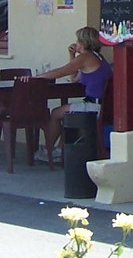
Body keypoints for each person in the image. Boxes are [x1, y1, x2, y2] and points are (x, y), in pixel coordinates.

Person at [38, 26, 112, 160]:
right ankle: (60, 149)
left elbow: (61, 72)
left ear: (83, 42)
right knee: (67, 114)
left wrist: (37, 78)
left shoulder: (85, 57)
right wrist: (72, 55)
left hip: (93, 107)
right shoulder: (97, 57)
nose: (75, 43)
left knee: (55, 113)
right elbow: (74, 78)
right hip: (102, 106)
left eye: (78, 40)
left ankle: (48, 150)